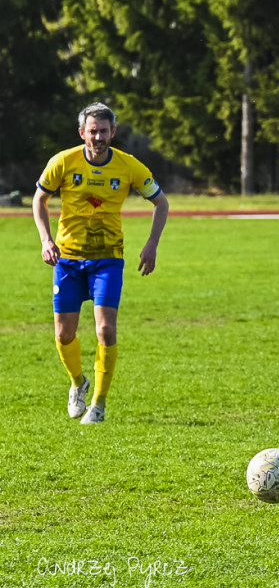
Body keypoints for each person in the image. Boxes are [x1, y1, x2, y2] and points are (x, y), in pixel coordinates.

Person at [32, 103, 170, 424]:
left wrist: (152, 244)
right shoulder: (63, 162)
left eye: (104, 131)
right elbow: (40, 199)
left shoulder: (128, 166)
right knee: (64, 335)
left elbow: (161, 202)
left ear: (113, 132)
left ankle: (98, 404)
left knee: (105, 329)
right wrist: (46, 240)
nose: (98, 137)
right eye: (92, 131)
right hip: (68, 259)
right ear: (82, 132)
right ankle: (78, 383)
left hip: (108, 259)